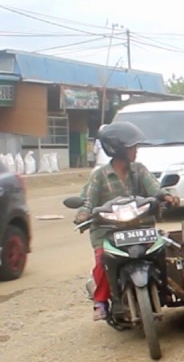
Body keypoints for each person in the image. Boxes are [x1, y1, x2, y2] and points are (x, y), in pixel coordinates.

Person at [75, 122, 178, 320]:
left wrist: (166, 197)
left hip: (140, 228)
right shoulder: (99, 176)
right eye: (132, 147)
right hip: (107, 231)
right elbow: (87, 200)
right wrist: (83, 214)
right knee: (101, 260)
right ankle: (101, 302)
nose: (136, 151)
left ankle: (164, 289)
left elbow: (154, 188)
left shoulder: (139, 170)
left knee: (162, 250)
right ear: (119, 149)